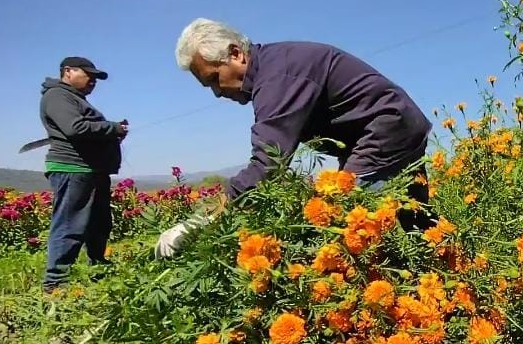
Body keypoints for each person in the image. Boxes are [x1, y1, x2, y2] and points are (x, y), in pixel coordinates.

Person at [154, 18, 433, 258]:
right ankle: (443, 283)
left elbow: (268, 165)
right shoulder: (275, 67)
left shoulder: (278, 77)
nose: (217, 92)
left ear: (236, 54)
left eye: (215, 78)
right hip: (391, 127)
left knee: (348, 228)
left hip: (386, 130)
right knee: (419, 226)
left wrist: (201, 219)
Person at [39, 56, 128, 291]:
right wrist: (112, 128)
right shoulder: (58, 95)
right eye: (88, 75)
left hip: (91, 170)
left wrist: (111, 132)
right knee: (70, 224)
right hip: (72, 168)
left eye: (95, 78)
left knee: (99, 224)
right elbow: (75, 128)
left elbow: (85, 128)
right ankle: (55, 284)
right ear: (68, 71)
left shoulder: (74, 99)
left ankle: (98, 270)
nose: (93, 81)